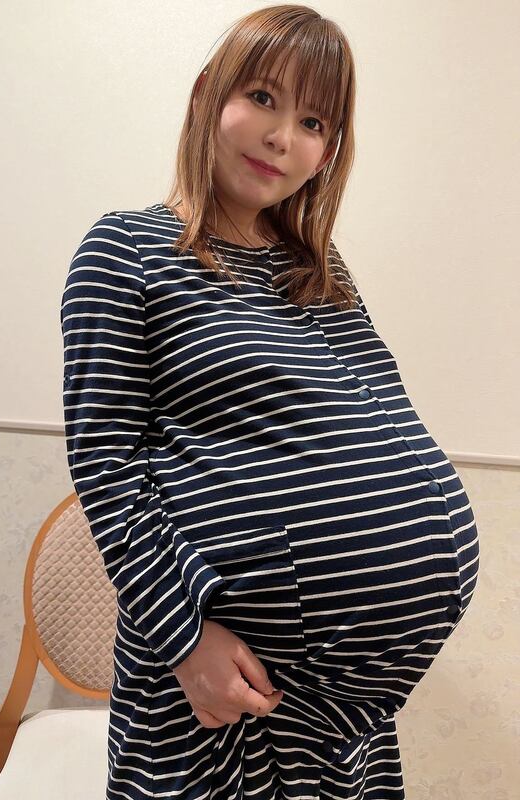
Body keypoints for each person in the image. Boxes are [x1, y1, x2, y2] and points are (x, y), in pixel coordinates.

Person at [60, 5, 480, 799]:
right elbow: (105, 467)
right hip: (216, 680)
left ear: (330, 150)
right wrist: (185, 640)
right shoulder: (126, 250)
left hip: (339, 709)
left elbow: (375, 422)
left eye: (314, 121)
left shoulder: (319, 270)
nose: (283, 136)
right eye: (262, 97)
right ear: (205, 94)